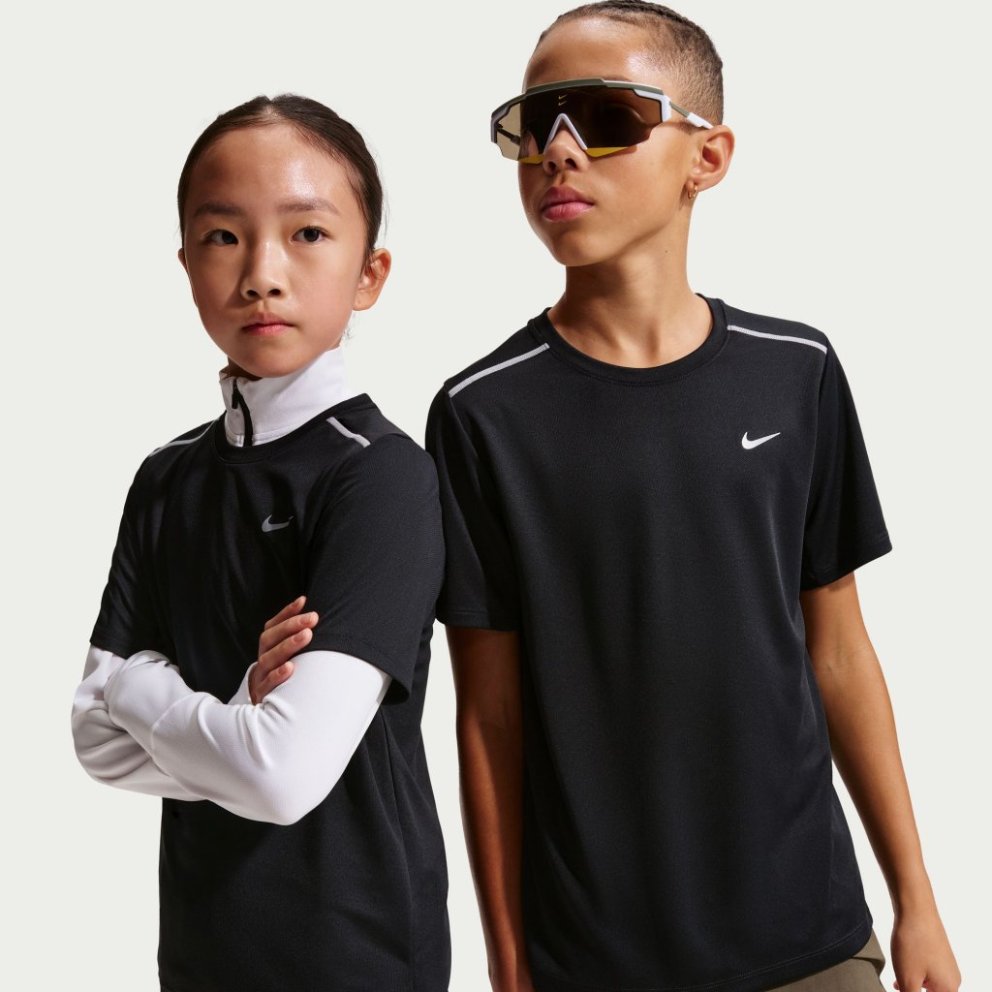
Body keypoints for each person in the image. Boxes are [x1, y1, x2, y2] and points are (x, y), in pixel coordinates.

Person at [424, 4, 959, 992]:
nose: (557, 151)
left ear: (705, 157)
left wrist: (915, 901)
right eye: (532, 125)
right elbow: (487, 715)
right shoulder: (480, 413)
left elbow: (839, 648)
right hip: (596, 959)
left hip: (811, 939)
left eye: (605, 116)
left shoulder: (794, 371)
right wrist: (507, 960)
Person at [71, 94, 450, 992]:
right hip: (198, 955)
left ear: (370, 273)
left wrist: (139, 686)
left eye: (307, 233)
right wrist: (238, 714)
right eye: (223, 236)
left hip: (357, 957)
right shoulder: (166, 478)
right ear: (187, 263)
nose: (261, 274)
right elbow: (93, 741)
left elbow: (281, 777)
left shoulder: (380, 478)